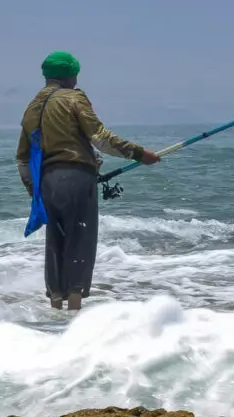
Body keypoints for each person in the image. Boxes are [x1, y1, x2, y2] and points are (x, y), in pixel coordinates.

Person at [15, 51, 161, 311]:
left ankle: (55, 310)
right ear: (70, 75)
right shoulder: (75, 98)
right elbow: (100, 138)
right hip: (77, 178)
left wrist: (34, 192)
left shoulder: (31, 108)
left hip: (47, 183)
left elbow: (23, 159)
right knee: (80, 240)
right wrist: (139, 154)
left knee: (55, 243)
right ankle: (74, 309)